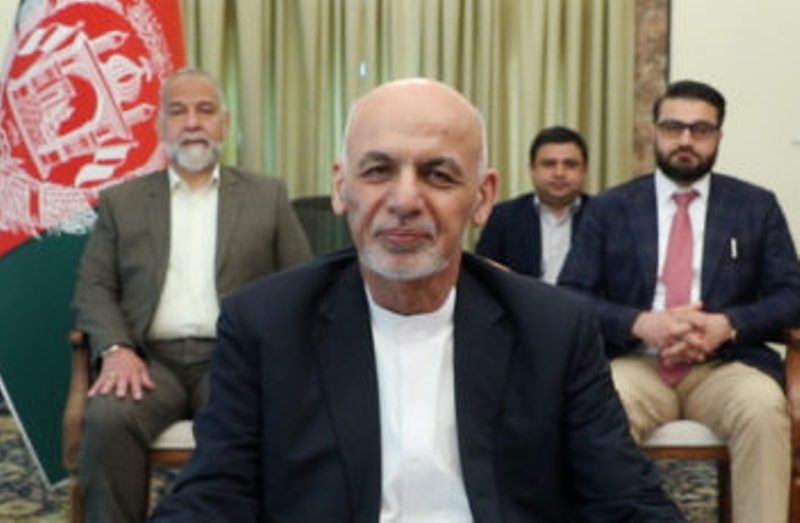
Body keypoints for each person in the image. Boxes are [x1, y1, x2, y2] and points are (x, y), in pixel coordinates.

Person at [149, 78, 682, 522]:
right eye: (378, 171)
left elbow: (627, 501)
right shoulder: (266, 324)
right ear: (341, 186)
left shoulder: (553, 329)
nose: (404, 200)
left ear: (483, 197)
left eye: (438, 175)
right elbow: (212, 497)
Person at [72, 68, 312, 523]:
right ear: (161, 125)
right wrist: (117, 349)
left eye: (205, 110)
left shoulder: (267, 195)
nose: (193, 122)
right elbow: (94, 284)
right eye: (179, 112)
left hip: (233, 359)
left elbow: (300, 281)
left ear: (224, 123)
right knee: (108, 419)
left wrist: (277, 354)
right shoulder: (123, 201)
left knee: (255, 421)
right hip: (147, 363)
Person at [559, 79, 800, 522]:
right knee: (602, 408)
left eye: (700, 129)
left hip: (725, 366)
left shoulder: (755, 206)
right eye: (673, 127)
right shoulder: (610, 208)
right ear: (654, 131)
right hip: (639, 361)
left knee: (764, 409)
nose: (685, 140)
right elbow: (572, 295)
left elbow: (792, 295)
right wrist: (639, 323)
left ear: (719, 136)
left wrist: (727, 324)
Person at [475, 126, 589, 282]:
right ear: (532, 169)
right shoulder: (502, 217)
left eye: (570, 164)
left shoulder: (604, 217)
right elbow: (482, 275)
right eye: (549, 164)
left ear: (585, 170)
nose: (559, 173)